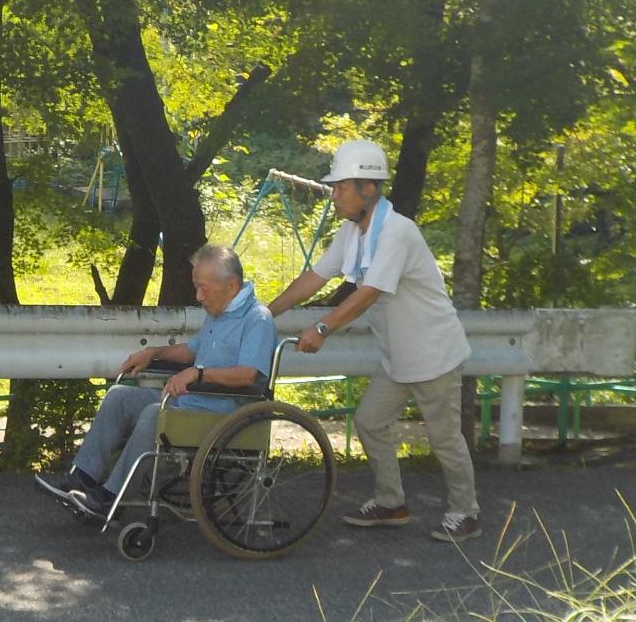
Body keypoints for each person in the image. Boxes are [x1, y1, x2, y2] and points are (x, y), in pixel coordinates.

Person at [268, 139, 480, 543]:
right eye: (334, 187)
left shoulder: (396, 233)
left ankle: (466, 512)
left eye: (340, 187)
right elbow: (316, 277)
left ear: (368, 188)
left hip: (433, 352)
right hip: (398, 356)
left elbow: (368, 294)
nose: (334, 195)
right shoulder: (352, 233)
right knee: (369, 421)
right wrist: (266, 312)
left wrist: (323, 329)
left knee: (444, 438)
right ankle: (391, 502)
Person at [37, 244, 276, 515]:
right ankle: (83, 478)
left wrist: (198, 373)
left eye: (203, 288)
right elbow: (191, 351)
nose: (198, 296)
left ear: (231, 285)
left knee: (154, 415)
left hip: (223, 414)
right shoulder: (219, 313)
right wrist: (154, 353)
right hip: (191, 403)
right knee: (119, 396)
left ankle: (109, 499)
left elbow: (249, 375)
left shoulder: (257, 319)